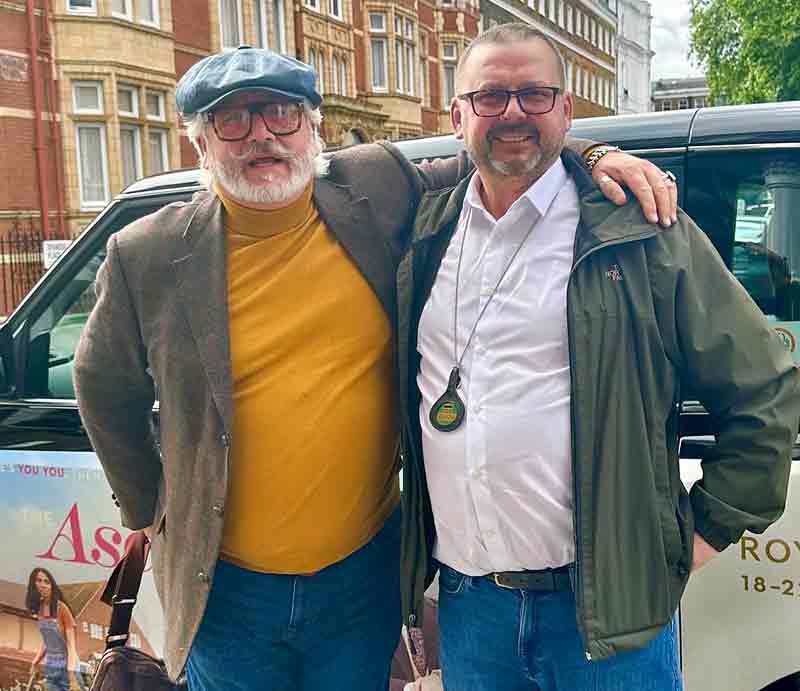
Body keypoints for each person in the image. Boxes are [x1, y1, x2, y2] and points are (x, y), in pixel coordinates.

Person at [73, 46, 676, 691]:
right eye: (233, 121)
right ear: (201, 144)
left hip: (360, 580)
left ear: (314, 127)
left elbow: (502, 150)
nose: (261, 138)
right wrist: (147, 505)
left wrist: (593, 157)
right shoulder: (147, 254)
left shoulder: (375, 188)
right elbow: (101, 383)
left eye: (280, 115)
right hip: (226, 592)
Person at [397, 23, 800, 691]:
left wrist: (701, 534)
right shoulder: (421, 228)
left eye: (535, 93)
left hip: (608, 618)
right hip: (472, 611)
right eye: (492, 96)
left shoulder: (639, 229)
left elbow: (766, 387)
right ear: (458, 112)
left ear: (566, 109)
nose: (514, 112)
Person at [26, 567, 85, 691]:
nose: (43, 585)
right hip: (51, 669)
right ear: (33, 584)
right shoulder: (40, 609)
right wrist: (35, 662)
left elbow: (71, 646)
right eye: (39, 580)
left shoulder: (62, 609)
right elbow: (47, 642)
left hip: (68, 669)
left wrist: (72, 677)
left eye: (47, 582)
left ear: (52, 585)